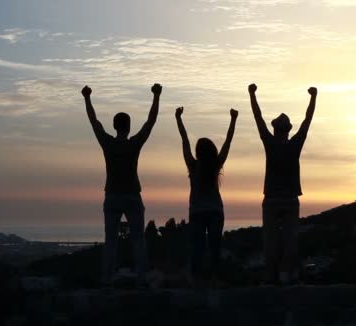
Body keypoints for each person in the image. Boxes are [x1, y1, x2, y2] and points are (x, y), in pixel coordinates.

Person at [82, 84, 162, 288]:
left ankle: (107, 279)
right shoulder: (134, 144)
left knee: (111, 241)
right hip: (133, 196)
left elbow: (94, 121)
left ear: (115, 126)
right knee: (138, 240)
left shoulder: (107, 143)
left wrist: (87, 98)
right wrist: (156, 96)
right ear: (128, 127)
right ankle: (141, 279)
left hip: (112, 196)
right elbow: (150, 122)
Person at [248, 83, 317, 285]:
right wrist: (313, 98)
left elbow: (257, 118)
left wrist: (252, 94)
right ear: (287, 130)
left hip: (271, 200)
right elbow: (307, 120)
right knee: (289, 241)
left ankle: (271, 277)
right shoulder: (295, 144)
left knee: (270, 241)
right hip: (290, 200)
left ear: (275, 129)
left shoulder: (270, 143)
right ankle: (288, 277)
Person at [175, 106, 238, 286]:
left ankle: (196, 279)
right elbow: (228, 141)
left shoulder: (193, 166)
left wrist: (178, 118)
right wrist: (233, 120)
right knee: (214, 247)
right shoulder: (216, 165)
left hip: (197, 212)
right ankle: (214, 278)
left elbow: (184, 139)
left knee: (197, 248)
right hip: (215, 211)